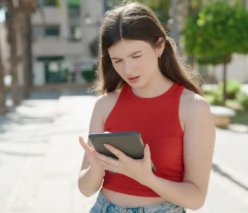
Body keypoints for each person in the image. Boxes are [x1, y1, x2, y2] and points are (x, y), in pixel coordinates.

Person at [78, 2, 215, 212]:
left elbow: (196, 198)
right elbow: (86, 189)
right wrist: (97, 165)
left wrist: (146, 178)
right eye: (117, 60)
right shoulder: (105, 105)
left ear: (159, 46)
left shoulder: (193, 108)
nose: (128, 69)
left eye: (136, 56)